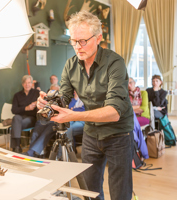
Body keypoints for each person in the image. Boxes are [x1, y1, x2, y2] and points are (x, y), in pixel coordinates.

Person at [37, 11, 134, 200]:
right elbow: (64, 97)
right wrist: (48, 101)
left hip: (118, 134)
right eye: (73, 41)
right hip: (91, 133)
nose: (77, 47)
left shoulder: (115, 63)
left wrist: (72, 116)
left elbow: (114, 112)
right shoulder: (71, 65)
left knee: (120, 192)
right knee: (89, 190)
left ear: (98, 38)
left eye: (83, 41)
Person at [11, 75, 39, 153]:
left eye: (29, 83)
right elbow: (13, 110)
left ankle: (16, 147)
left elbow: (44, 102)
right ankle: (17, 146)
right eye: (25, 83)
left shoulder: (37, 93)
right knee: (16, 118)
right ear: (22, 84)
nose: (27, 85)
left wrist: (38, 102)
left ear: (32, 84)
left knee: (15, 123)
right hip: (20, 117)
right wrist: (26, 108)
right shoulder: (17, 95)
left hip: (31, 118)